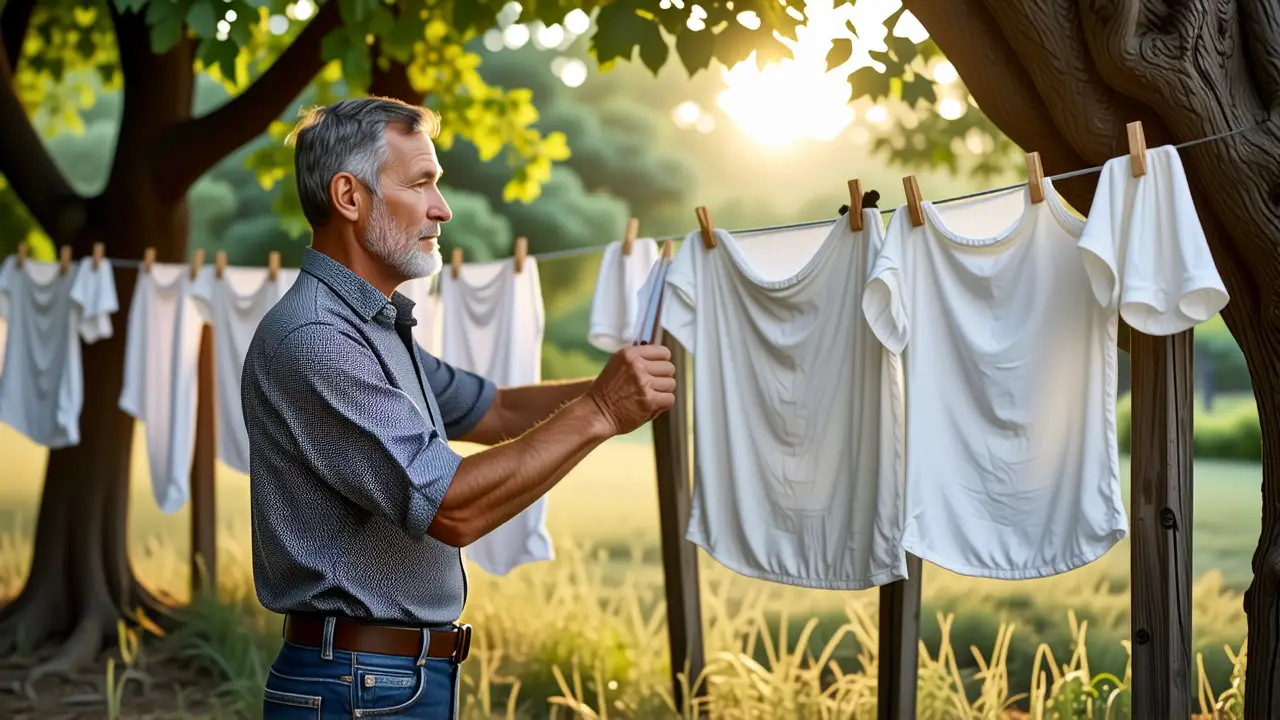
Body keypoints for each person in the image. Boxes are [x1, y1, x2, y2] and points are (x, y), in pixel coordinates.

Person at [240, 96, 677, 719]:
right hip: (356, 688)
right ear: (349, 196)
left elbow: (495, 409)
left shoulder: (374, 324)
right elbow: (451, 507)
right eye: (420, 184)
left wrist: (628, 382)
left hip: (383, 681)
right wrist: (604, 409)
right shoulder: (319, 341)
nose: (441, 209)